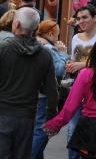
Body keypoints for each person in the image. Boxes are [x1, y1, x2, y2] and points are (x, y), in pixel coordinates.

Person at [0, 7, 58, 158]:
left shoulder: (3, 49)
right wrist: (51, 117)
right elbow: (52, 90)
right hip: (27, 117)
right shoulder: (45, 55)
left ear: (17, 24)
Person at [66, 5, 96, 159]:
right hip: (76, 88)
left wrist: (84, 65)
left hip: (95, 90)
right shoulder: (75, 38)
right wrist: (70, 64)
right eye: (79, 18)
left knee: (90, 131)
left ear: (95, 18)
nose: (81, 21)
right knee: (72, 129)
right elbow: (73, 59)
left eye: (85, 17)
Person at [32, 20, 69, 159]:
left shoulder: (35, 42)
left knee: (36, 130)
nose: (58, 39)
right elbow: (58, 70)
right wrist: (63, 53)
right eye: (57, 35)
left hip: (34, 93)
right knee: (43, 131)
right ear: (51, 33)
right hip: (44, 95)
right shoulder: (49, 48)